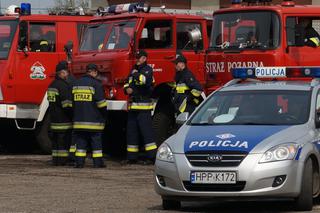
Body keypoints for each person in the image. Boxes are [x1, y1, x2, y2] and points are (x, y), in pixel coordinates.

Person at [123, 50, 157, 165]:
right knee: (131, 132)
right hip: (133, 107)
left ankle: (152, 157)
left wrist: (135, 73)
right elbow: (127, 81)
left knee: (146, 133)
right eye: (137, 58)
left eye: (139, 58)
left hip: (144, 107)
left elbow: (144, 81)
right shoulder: (134, 69)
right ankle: (132, 157)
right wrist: (126, 88)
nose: (137, 60)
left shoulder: (147, 69)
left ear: (144, 58)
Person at [72, 64, 107, 168]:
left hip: (78, 121)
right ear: (94, 72)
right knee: (96, 142)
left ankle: (79, 163)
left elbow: (72, 103)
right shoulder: (96, 84)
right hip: (94, 121)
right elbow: (101, 104)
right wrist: (104, 116)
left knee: (81, 143)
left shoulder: (76, 83)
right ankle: (97, 163)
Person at [47, 61, 73, 166]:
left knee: (56, 141)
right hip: (63, 119)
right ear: (61, 73)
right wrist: (73, 113)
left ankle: (55, 160)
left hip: (53, 118)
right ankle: (62, 160)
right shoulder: (63, 85)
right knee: (63, 141)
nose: (67, 75)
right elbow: (67, 104)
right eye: (66, 73)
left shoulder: (51, 85)